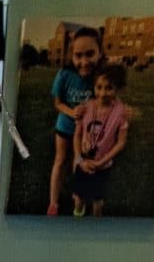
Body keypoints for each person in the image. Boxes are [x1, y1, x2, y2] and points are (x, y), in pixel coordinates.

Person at [46, 25, 102, 216]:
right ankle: (53, 204)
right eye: (78, 56)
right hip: (65, 126)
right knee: (60, 161)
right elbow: (58, 103)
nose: (84, 61)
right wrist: (73, 112)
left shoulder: (99, 77)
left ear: (100, 53)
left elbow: (105, 101)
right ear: (72, 56)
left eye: (90, 54)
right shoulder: (64, 75)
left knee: (78, 162)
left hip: (86, 131)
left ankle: (77, 199)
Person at [70, 63, 130, 216]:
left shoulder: (121, 112)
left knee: (98, 203)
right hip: (83, 163)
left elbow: (121, 142)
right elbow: (77, 136)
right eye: (99, 87)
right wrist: (79, 159)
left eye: (109, 88)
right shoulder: (86, 107)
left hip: (103, 166)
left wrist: (100, 163)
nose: (103, 93)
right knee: (79, 199)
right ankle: (77, 221)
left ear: (118, 88)